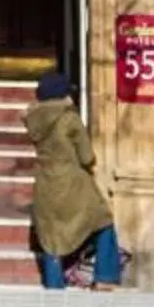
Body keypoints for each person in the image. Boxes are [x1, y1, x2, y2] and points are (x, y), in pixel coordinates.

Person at [25, 70, 125, 287]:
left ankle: (54, 287)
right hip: (72, 182)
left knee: (52, 239)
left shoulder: (34, 121)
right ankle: (105, 277)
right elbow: (87, 156)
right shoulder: (69, 119)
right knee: (103, 221)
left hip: (45, 183)